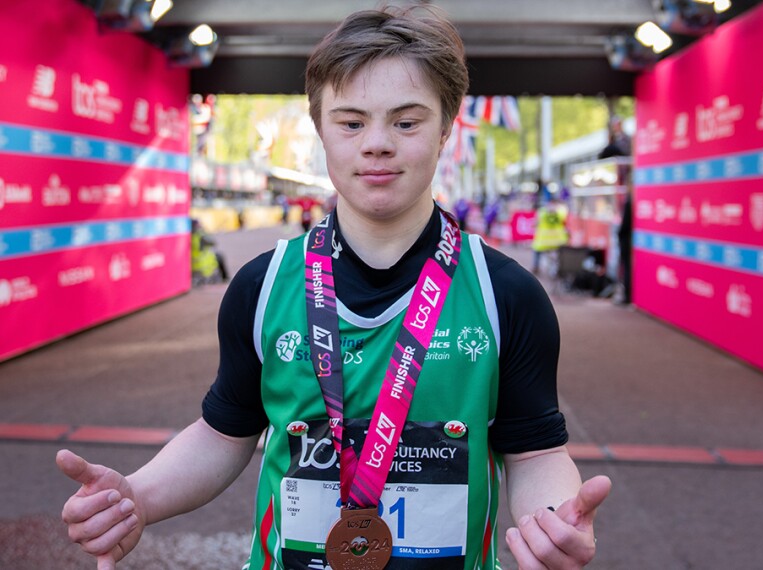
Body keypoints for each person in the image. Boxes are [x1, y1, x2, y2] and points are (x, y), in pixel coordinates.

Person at [56, 6, 610, 570]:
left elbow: (536, 451)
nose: (377, 144)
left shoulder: (505, 293)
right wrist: (136, 498)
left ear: (446, 127)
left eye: (407, 121)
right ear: (320, 128)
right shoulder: (262, 286)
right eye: (351, 121)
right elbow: (225, 435)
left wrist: (553, 522)